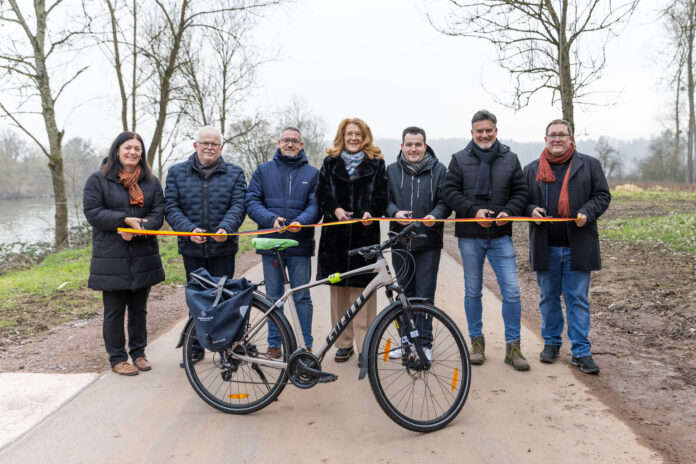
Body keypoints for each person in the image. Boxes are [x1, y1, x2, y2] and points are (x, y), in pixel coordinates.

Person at [442, 109, 530, 371]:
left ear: (495, 131)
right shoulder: (458, 159)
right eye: (479, 131)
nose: (484, 135)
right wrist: (473, 211)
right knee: (473, 291)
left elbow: (521, 192)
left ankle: (513, 348)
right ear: (472, 133)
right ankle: (476, 343)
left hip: (501, 236)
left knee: (512, 292)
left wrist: (510, 212)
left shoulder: (511, 159)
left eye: (488, 130)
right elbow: (449, 192)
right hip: (470, 237)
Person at [523, 119, 611, 375]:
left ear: (571, 138)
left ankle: (581, 352)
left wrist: (587, 211)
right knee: (548, 298)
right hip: (545, 245)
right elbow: (521, 200)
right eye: (552, 135)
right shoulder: (531, 170)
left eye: (562, 135)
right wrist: (531, 210)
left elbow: (602, 196)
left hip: (578, 246)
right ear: (545, 139)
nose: (557, 139)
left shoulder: (589, 165)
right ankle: (551, 344)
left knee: (577, 300)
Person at [83, 131, 165, 376]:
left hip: (143, 255)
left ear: (142, 154)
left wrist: (140, 230)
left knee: (139, 310)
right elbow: (93, 213)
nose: (132, 152)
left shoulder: (151, 181)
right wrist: (123, 221)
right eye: (128, 147)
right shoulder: (98, 180)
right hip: (111, 257)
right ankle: (118, 358)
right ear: (117, 150)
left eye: (137, 149)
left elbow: (159, 214)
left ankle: (139, 353)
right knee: (114, 311)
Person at [164, 126, 246, 366]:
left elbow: (238, 205)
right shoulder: (177, 172)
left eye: (214, 144)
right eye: (205, 143)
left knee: (224, 300)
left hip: (223, 249)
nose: (209, 147)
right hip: (192, 250)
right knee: (197, 300)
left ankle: (226, 348)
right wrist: (189, 230)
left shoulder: (235, 173)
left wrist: (226, 229)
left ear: (221, 147)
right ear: (195, 145)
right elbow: (171, 207)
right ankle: (196, 346)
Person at [316, 118, 388, 363]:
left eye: (358, 134)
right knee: (339, 293)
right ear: (342, 137)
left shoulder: (377, 164)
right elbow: (322, 193)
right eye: (349, 134)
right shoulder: (330, 162)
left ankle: (365, 345)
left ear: (365, 136)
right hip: (335, 238)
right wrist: (335, 210)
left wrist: (371, 211)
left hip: (364, 236)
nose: (354, 138)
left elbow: (381, 194)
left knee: (363, 293)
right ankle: (343, 343)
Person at [245, 126, 321, 357]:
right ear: (279, 143)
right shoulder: (263, 171)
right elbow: (251, 201)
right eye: (286, 140)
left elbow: (316, 206)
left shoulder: (312, 173)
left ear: (301, 145)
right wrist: (269, 218)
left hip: (299, 246)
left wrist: (302, 221)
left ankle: (304, 344)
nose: (290, 144)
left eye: (294, 141)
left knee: (301, 297)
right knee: (273, 297)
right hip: (271, 246)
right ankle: (274, 344)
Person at [386, 126, 450, 360]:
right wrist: (394, 213)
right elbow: (385, 201)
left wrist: (436, 215)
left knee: (424, 296)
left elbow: (445, 201)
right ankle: (405, 343)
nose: (414, 149)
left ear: (425, 146)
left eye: (418, 144)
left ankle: (424, 343)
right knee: (404, 294)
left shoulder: (440, 170)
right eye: (409, 144)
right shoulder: (391, 170)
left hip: (428, 243)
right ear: (402, 146)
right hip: (400, 243)